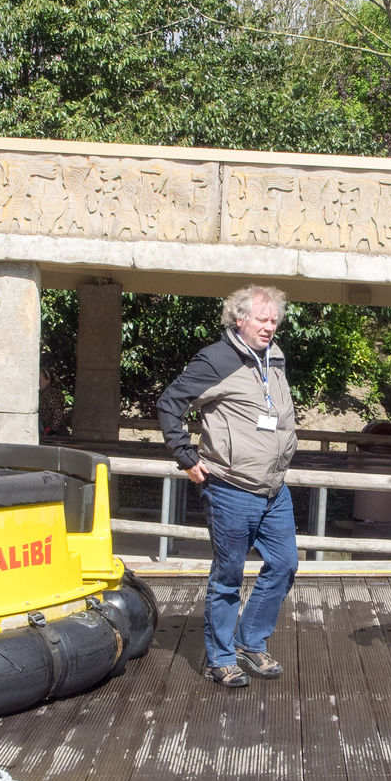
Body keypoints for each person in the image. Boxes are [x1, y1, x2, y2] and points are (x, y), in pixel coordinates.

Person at [156, 284, 300, 688]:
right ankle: (220, 658)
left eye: (274, 320)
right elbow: (169, 403)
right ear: (239, 319)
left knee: (285, 564)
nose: (270, 327)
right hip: (230, 488)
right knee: (229, 575)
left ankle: (250, 641)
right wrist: (186, 456)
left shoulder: (274, 357)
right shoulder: (216, 359)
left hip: (274, 489)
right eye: (262, 319)